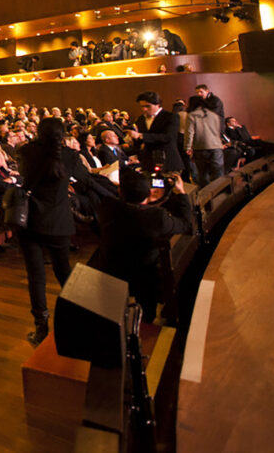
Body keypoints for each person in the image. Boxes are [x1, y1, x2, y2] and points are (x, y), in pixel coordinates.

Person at [16, 117, 93, 346]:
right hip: (59, 222)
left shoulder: (27, 152)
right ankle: (80, 317)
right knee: (63, 270)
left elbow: (24, 178)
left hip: (32, 221)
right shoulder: (69, 156)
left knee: (36, 276)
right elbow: (85, 180)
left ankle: (41, 327)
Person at [89, 168, 194, 322]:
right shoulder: (156, 217)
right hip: (143, 275)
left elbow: (128, 208)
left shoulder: (107, 207)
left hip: (110, 270)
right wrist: (181, 193)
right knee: (148, 300)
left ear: (120, 191)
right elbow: (185, 224)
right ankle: (147, 321)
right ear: (149, 193)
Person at [124, 92, 184, 173]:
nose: (144, 109)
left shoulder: (170, 116)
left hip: (167, 160)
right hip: (148, 163)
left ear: (158, 104)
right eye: (142, 106)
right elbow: (141, 142)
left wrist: (141, 135)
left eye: (148, 106)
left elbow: (169, 137)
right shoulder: (141, 119)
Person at [184, 95, 225, 186]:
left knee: (203, 173)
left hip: (200, 147)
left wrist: (187, 147)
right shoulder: (214, 115)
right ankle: (220, 192)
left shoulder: (192, 115)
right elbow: (219, 130)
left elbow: (189, 132)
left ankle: (207, 195)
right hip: (216, 146)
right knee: (218, 172)